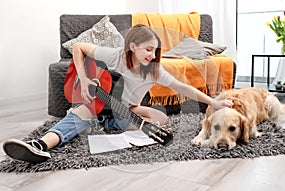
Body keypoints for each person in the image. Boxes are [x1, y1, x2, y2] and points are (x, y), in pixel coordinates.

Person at [2, 24, 233, 163]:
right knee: (82, 115)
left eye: (156, 50)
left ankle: (107, 124)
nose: (153, 55)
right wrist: (83, 80)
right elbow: (78, 47)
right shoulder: (115, 56)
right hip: (98, 104)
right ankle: (40, 146)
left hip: (125, 109)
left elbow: (183, 88)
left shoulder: (155, 71)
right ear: (133, 47)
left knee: (160, 119)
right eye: (148, 49)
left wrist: (215, 102)